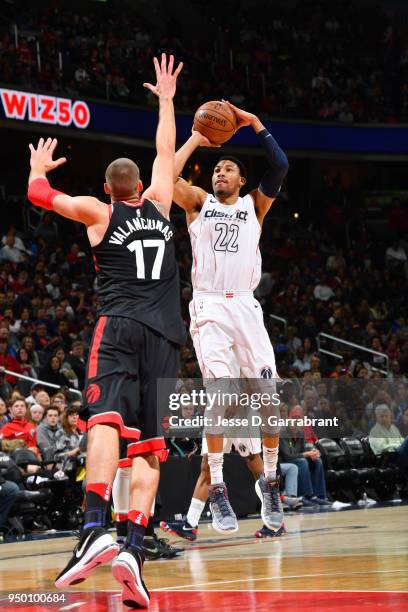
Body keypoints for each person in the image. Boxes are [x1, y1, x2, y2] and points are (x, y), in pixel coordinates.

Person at [27, 53, 183, 609]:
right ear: (141, 185)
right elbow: (167, 150)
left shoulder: (98, 212)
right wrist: (165, 99)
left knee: (102, 422)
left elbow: (40, 198)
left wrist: (37, 171)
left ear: (108, 188)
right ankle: (133, 550)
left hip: (118, 327)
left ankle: (96, 526)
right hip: (167, 338)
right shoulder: (163, 207)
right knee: (149, 449)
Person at [172, 100, 289, 533]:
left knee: (269, 400)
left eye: (227, 169)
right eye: (216, 168)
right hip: (209, 307)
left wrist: (255, 123)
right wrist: (195, 139)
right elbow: (164, 178)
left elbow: (279, 165)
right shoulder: (198, 204)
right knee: (219, 395)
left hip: (245, 304)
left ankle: (272, 484)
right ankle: (217, 489)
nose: (219, 173)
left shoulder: (255, 206)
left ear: (241, 180)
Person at [161, 432, 301, 542]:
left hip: (239, 410)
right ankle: (190, 524)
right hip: (216, 411)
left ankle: (276, 521)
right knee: (207, 463)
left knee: (252, 458)